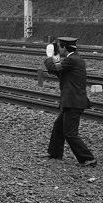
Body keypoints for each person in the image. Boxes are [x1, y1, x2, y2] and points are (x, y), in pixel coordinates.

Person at [42, 36, 97, 167]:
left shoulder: (72, 60)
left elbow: (55, 68)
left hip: (74, 102)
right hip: (71, 101)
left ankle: (88, 158)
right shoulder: (73, 59)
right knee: (58, 125)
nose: (58, 50)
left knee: (70, 133)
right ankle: (55, 152)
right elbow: (59, 72)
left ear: (64, 47)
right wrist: (54, 62)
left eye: (59, 47)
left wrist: (50, 57)